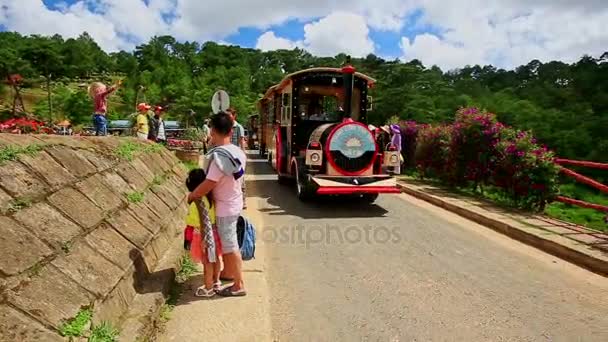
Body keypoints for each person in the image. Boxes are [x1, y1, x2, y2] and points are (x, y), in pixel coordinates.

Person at [188, 112, 247, 297]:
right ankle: (229, 274)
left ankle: (239, 285)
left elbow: (209, 183)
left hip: (224, 208)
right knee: (229, 244)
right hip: (235, 201)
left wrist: (193, 195)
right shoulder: (237, 152)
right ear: (231, 130)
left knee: (230, 247)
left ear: (213, 131)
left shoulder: (218, 159)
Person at [185, 168, 223, 297]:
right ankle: (216, 281)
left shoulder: (197, 201)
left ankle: (208, 288)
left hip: (203, 234)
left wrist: (204, 239)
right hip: (214, 231)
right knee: (215, 258)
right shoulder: (210, 197)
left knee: (207, 261)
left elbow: (201, 221)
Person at [227, 108, 247, 209]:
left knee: (240, 178)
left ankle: (243, 201)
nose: (227, 117)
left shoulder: (238, 127)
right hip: (227, 156)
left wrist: (243, 155)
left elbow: (241, 141)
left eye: (229, 115)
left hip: (236, 156)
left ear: (234, 116)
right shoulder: (226, 127)